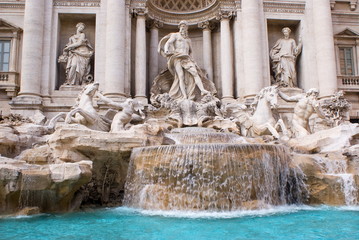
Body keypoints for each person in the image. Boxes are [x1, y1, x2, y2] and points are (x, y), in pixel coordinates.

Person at [158, 21, 211, 100]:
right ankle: (184, 96)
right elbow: (168, 43)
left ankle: (202, 90)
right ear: (179, 27)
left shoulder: (188, 40)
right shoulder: (175, 35)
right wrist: (166, 50)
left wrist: (193, 60)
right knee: (181, 76)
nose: (183, 28)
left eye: (184, 26)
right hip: (177, 57)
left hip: (186, 58)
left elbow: (190, 52)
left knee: (195, 73)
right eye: (181, 26)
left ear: (186, 28)